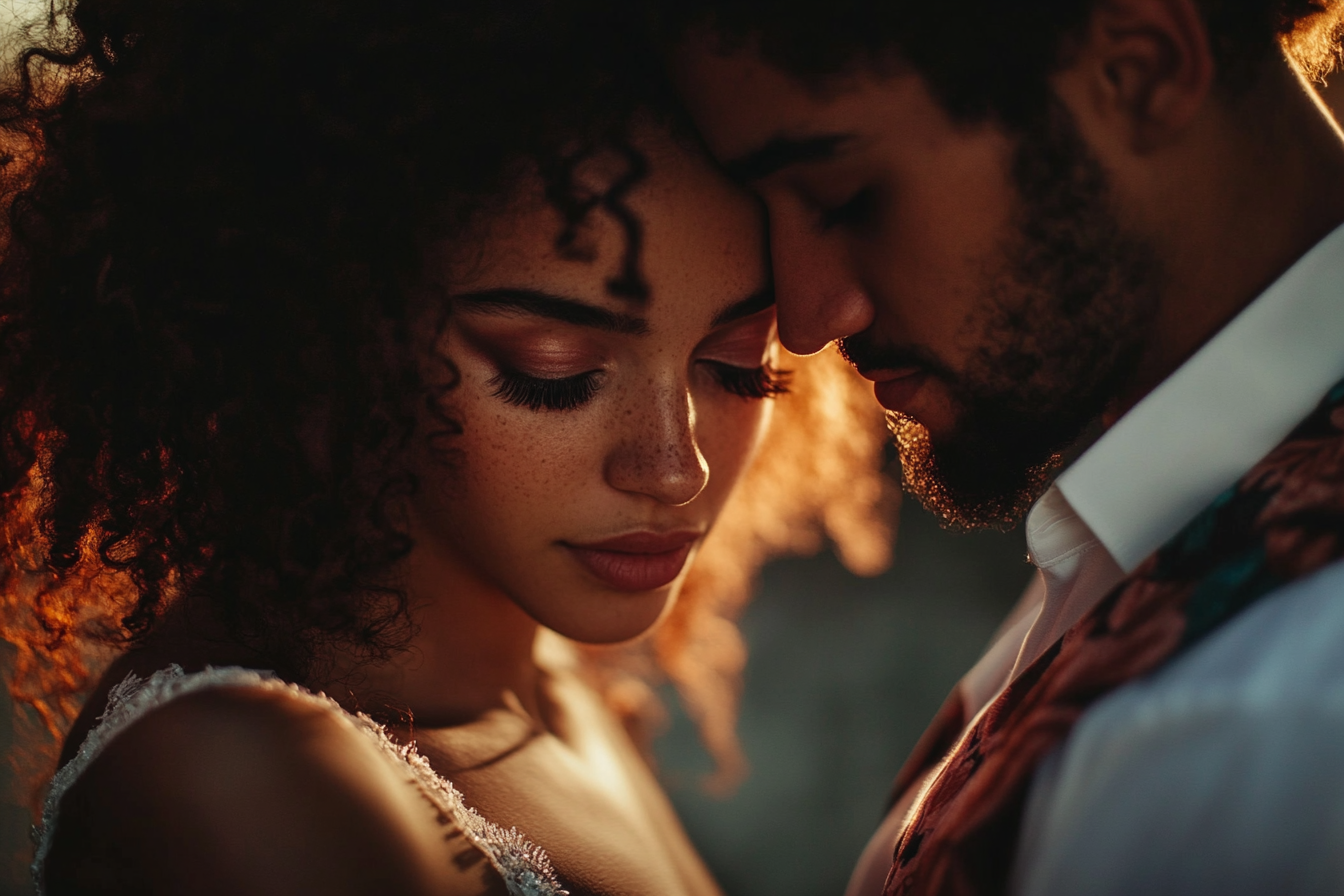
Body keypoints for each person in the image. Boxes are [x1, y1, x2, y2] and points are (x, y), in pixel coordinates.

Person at [0, 1, 897, 894]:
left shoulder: (552, 683)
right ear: (315, 334)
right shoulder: (239, 777)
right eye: (554, 371)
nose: (675, 466)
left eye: (740, 366)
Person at [662, 0, 1344, 894]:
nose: (806, 318)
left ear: (1138, 72)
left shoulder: (1269, 707)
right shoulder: (1167, 502)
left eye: (845, 198)